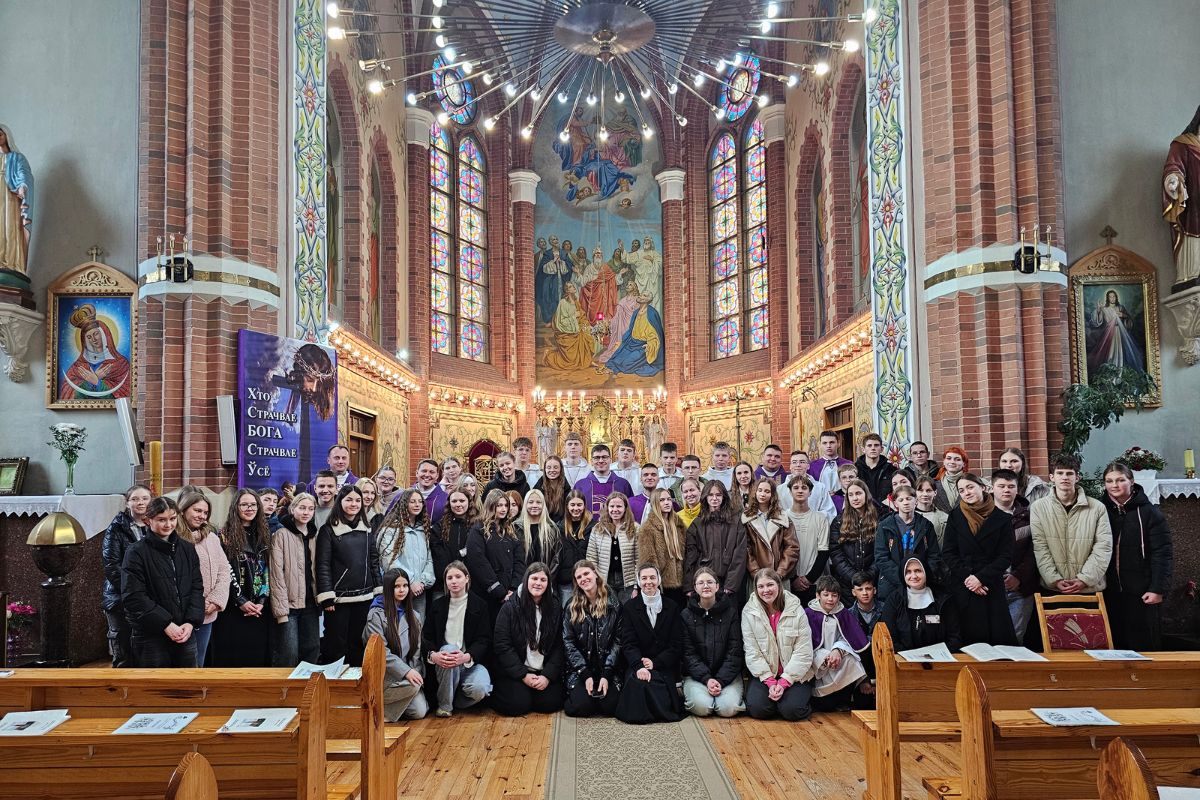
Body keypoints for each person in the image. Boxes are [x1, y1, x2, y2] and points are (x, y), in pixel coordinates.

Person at [121, 497, 204, 668]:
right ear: (148, 520)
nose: (168, 524)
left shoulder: (187, 549)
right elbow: (134, 596)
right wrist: (165, 624)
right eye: (161, 520)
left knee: (188, 682)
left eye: (172, 518)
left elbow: (196, 587)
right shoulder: (136, 552)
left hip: (184, 630)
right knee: (154, 683)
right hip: (151, 635)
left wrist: (191, 622)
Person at [1101, 462, 1173, 650]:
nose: (1114, 485)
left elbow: (1162, 553)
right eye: (1109, 481)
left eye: (1120, 480)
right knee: (1112, 646)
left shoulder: (1149, 512)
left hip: (1141, 591)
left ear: (1131, 481)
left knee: (1142, 645)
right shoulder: (1100, 510)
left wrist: (1157, 588)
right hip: (1108, 590)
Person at [942, 473, 1018, 646]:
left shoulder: (1002, 518)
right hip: (963, 585)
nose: (966, 493)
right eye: (961, 490)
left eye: (970, 487)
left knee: (997, 642)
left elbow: (1005, 556)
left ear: (983, 488)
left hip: (990, 586)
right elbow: (948, 553)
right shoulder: (955, 516)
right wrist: (969, 579)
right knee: (965, 641)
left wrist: (981, 578)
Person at [316, 484, 381, 666]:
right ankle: (333, 682)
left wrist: (378, 589)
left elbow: (373, 561)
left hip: (364, 597)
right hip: (338, 600)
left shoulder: (367, 529)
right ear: (340, 502)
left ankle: (356, 681)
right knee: (335, 644)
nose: (354, 504)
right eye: (349, 500)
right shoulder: (328, 530)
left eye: (357, 500)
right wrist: (326, 597)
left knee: (358, 644)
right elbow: (323, 565)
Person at [1031, 454, 1113, 595]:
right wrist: (1054, 579)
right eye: (1060, 473)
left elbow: (1103, 547)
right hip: (1053, 588)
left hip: (1088, 588)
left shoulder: (1097, 508)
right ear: (1051, 477)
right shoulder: (1038, 508)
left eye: (1069, 473)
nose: (1065, 477)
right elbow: (1040, 546)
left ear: (1077, 477)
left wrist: (1084, 579)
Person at [492, 563, 566, 716]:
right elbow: (502, 645)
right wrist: (523, 675)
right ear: (526, 580)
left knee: (549, 703)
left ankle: (532, 692)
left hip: (542, 670)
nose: (538, 583)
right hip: (517, 671)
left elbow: (559, 645)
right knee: (517, 705)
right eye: (534, 578)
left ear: (548, 584)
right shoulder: (510, 607)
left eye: (543, 580)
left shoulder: (555, 607)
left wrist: (547, 676)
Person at [742, 568, 815, 721]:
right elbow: (752, 652)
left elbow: (803, 652)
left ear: (779, 585)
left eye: (770, 585)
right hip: (766, 673)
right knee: (758, 709)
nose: (765, 590)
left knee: (792, 711)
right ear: (756, 589)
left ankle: (790, 701)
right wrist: (770, 681)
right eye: (761, 586)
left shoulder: (796, 609)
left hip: (794, 674)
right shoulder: (749, 612)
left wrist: (783, 682)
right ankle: (778, 701)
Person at [615, 564, 685, 724]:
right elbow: (628, 643)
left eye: (652, 577)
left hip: (663, 664)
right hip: (637, 663)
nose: (648, 582)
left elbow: (676, 645)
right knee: (638, 683)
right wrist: (639, 665)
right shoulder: (629, 607)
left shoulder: (672, 607)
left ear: (659, 580)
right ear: (639, 581)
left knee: (655, 682)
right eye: (644, 578)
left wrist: (655, 663)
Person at [423, 561, 493, 717]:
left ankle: (455, 701)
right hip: (444, 662)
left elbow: (484, 639)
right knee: (449, 650)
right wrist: (433, 655)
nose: (454, 581)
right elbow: (426, 637)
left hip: (469, 662)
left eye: (458, 576)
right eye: (449, 578)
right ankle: (445, 706)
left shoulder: (480, 605)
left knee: (481, 688)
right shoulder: (437, 606)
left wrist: (467, 656)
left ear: (467, 578)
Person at [212, 489, 273, 667]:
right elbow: (225, 571)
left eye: (253, 505)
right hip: (232, 608)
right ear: (235, 507)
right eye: (244, 504)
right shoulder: (223, 536)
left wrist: (262, 600)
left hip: (258, 608)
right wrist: (240, 600)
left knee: (256, 661)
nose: (249, 508)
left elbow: (266, 570)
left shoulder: (264, 534)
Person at [364, 568, 428, 721]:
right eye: (397, 586)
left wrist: (415, 673)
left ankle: (384, 710)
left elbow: (416, 653)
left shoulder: (415, 616)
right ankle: (374, 704)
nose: (402, 590)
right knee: (413, 687)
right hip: (385, 675)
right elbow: (381, 652)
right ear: (388, 588)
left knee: (420, 711)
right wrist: (406, 672)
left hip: (406, 676)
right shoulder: (376, 614)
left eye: (405, 586)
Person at [680, 567, 745, 718]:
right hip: (697, 677)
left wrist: (720, 680)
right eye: (701, 583)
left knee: (727, 709)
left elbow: (734, 651)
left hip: (727, 676)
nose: (706, 586)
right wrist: (707, 679)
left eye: (710, 582)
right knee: (702, 707)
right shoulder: (686, 615)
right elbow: (688, 654)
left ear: (717, 586)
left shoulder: (731, 613)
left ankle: (724, 695)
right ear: (695, 588)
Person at [175, 491, 230, 666]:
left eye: (205, 512)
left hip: (207, 613)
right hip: (182, 616)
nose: (202, 516)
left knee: (198, 664)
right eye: (197, 510)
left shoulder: (212, 538)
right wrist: (197, 604)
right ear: (183, 509)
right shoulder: (174, 538)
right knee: (181, 666)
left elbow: (224, 570)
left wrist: (215, 600)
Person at [563, 560, 622, 717]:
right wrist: (584, 674)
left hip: (607, 668)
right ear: (576, 582)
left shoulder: (613, 603)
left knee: (611, 707)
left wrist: (607, 674)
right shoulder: (571, 606)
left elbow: (618, 641)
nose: (584, 579)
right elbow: (568, 642)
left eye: (586, 573)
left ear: (595, 574)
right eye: (579, 577)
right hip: (581, 670)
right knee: (582, 708)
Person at [101, 484, 152, 667]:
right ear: (127, 503)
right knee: (123, 647)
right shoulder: (116, 528)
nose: (140, 503)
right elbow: (111, 565)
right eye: (135, 499)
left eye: (145, 498)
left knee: (145, 650)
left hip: (148, 597)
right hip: (120, 596)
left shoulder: (155, 525)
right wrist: (133, 591)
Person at [269, 491, 321, 666]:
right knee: (289, 652)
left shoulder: (314, 535)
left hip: (310, 603)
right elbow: (276, 573)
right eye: (302, 508)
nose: (306, 512)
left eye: (310, 509)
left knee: (312, 649)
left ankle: (307, 683)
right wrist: (281, 610)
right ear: (293, 509)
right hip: (288, 605)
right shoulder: (281, 534)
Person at [805, 576, 871, 709]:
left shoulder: (843, 613)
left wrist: (838, 650)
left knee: (852, 660)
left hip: (839, 657)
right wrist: (825, 656)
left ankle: (844, 699)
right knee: (826, 705)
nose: (830, 599)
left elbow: (849, 638)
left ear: (839, 597)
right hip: (818, 660)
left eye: (834, 595)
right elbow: (805, 643)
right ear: (818, 595)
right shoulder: (808, 614)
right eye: (826, 595)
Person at [874, 486, 942, 605]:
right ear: (895, 503)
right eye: (901, 500)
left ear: (916, 501)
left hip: (921, 583)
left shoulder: (926, 525)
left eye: (909, 498)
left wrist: (922, 577)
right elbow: (881, 558)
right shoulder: (885, 526)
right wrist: (902, 578)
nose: (905, 502)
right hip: (891, 584)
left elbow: (934, 555)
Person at [466, 489, 526, 623]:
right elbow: (478, 562)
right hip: (486, 594)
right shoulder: (478, 530)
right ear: (490, 506)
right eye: (499, 505)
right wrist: (498, 590)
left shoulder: (511, 530)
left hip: (509, 594)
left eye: (506, 505)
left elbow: (519, 561)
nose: (503, 509)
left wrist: (513, 588)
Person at [992, 469, 1038, 642]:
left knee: (1015, 639)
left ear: (1017, 489)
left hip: (1020, 589)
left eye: (1011, 486)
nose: (1006, 490)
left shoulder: (1029, 516)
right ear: (992, 488)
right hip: (990, 587)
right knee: (990, 639)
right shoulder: (981, 516)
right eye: (1001, 486)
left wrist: (1018, 576)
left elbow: (1035, 550)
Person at [376, 489, 436, 621]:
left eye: (420, 501)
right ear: (404, 504)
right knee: (397, 626)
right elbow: (389, 560)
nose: (417, 504)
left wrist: (423, 582)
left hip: (419, 590)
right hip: (399, 588)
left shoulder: (423, 529)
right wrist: (410, 582)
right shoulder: (391, 529)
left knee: (417, 626)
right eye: (412, 501)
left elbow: (429, 559)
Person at [683, 480, 748, 602]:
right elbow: (690, 557)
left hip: (728, 584)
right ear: (705, 497)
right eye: (710, 495)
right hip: (704, 583)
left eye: (718, 495)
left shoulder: (735, 522)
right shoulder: (697, 524)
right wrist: (689, 586)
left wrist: (730, 585)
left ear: (724, 497)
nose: (714, 498)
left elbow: (740, 554)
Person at [881, 557, 962, 652]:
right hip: (903, 658)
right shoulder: (894, 600)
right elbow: (889, 638)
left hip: (939, 657)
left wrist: (937, 653)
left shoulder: (943, 598)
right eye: (908, 572)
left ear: (926, 571)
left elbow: (954, 637)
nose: (914, 576)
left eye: (918, 571)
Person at [58, 303, 133, 401]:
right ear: (84, 342)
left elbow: (123, 396)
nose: (93, 339)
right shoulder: (78, 367)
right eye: (89, 337)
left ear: (105, 335)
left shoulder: (121, 364)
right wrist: (90, 382)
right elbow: (67, 393)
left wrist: (97, 382)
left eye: (96, 334)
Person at [1163, 105, 1200, 286]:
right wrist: (1173, 181)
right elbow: (1173, 167)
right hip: (1194, 210)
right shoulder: (1183, 144)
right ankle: (1192, 274)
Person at [744, 477, 801, 591]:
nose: (762, 494)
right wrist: (756, 573)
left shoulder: (783, 517)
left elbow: (792, 547)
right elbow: (745, 549)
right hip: (756, 579)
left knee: (781, 602)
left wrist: (779, 573)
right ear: (755, 492)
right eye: (760, 490)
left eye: (767, 491)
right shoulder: (746, 518)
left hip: (780, 578)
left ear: (773, 494)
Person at [829, 479, 880, 598]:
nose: (855, 498)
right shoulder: (839, 521)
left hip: (874, 580)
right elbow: (836, 552)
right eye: (851, 495)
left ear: (866, 494)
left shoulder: (879, 519)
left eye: (858, 493)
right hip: (847, 582)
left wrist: (869, 575)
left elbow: (882, 551)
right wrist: (853, 577)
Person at [586, 492, 640, 603]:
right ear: (607, 508)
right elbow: (591, 558)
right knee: (608, 612)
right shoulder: (597, 529)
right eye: (612, 506)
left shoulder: (635, 528)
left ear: (625, 508)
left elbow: (639, 559)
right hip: (605, 582)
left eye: (619, 506)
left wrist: (636, 586)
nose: (615, 510)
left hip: (628, 582)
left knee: (627, 611)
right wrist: (596, 583)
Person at [637, 487, 687, 606]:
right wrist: (655, 584)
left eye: (669, 499)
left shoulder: (679, 525)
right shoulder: (648, 528)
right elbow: (648, 561)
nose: (667, 502)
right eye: (662, 500)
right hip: (662, 585)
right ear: (655, 503)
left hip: (681, 584)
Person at [786, 474, 832, 602]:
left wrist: (809, 579)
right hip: (788, 581)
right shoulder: (782, 518)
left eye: (804, 488)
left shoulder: (820, 519)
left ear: (810, 492)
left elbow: (823, 552)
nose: (800, 491)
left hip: (814, 582)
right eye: (796, 488)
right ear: (790, 492)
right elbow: (780, 551)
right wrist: (793, 578)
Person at [0, 124, 33, 274]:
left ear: (7, 136)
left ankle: (11, 262)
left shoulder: (17, 157)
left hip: (10, 196)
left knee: (10, 226)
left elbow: (24, 174)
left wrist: (23, 186)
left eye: (0, 134)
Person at [432, 488, 475, 601]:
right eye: (454, 501)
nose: (458, 504)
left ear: (469, 502)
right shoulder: (439, 527)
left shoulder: (477, 526)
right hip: (443, 585)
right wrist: (451, 576)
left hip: (471, 584)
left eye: (462, 501)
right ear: (449, 503)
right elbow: (437, 556)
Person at [574, 444, 634, 518]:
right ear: (591, 461)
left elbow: (630, 510)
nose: (601, 460)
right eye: (597, 458)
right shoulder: (581, 485)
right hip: (588, 525)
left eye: (604, 457)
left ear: (610, 460)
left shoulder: (623, 484)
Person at [556, 490, 593, 606]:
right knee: (568, 610)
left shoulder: (593, 527)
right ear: (567, 506)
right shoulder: (559, 528)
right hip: (566, 580)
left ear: (584, 506)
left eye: (579, 505)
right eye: (572, 505)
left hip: (587, 579)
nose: (576, 508)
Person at [778, 450, 837, 519]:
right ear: (790, 466)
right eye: (794, 462)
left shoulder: (820, 487)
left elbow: (829, 512)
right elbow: (777, 513)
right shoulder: (780, 489)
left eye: (802, 462)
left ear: (808, 466)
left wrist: (811, 519)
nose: (798, 465)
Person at [517, 488, 560, 577]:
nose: (534, 505)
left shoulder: (552, 529)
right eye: (531, 502)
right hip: (521, 580)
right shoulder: (516, 528)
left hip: (545, 580)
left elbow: (556, 559)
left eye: (538, 502)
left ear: (543, 505)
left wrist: (548, 578)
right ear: (525, 504)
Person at [856, 433, 898, 502]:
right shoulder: (856, 469)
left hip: (886, 507)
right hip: (863, 507)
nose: (873, 448)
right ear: (863, 449)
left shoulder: (891, 469)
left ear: (881, 449)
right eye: (869, 445)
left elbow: (898, 491)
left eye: (876, 445)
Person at [915, 476, 950, 547]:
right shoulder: (907, 516)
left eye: (928, 490)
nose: (925, 494)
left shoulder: (945, 518)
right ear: (915, 492)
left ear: (935, 492)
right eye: (921, 490)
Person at [411, 459, 448, 525]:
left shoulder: (446, 499)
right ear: (417, 473)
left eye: (432, 472)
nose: (427, 475)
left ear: (437, 476)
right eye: (424, 471)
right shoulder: (404, 495)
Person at [534, 455, 569, 523]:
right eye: (549, 467)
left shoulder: (566, 488)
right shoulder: (538, 488)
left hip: (561, 525)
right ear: (545, 470)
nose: (552, 470)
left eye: (555, 467)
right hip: (542, 524)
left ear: (561, 469)